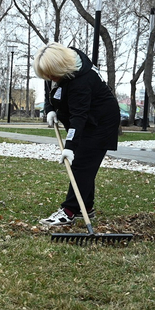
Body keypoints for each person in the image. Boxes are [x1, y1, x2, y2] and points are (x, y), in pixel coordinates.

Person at [34, 42, 120, 226]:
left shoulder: (82, 80)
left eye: (52, 74)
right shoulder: (58, 66)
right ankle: (85, 207)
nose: (49, 78)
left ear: (62, 68)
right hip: (86, 119)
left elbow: (79, 117)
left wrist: (70, 147)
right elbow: (48, 86)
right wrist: (49, 108)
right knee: (85, 165)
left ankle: (69, 211)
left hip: (100, 123)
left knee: (81, 164)